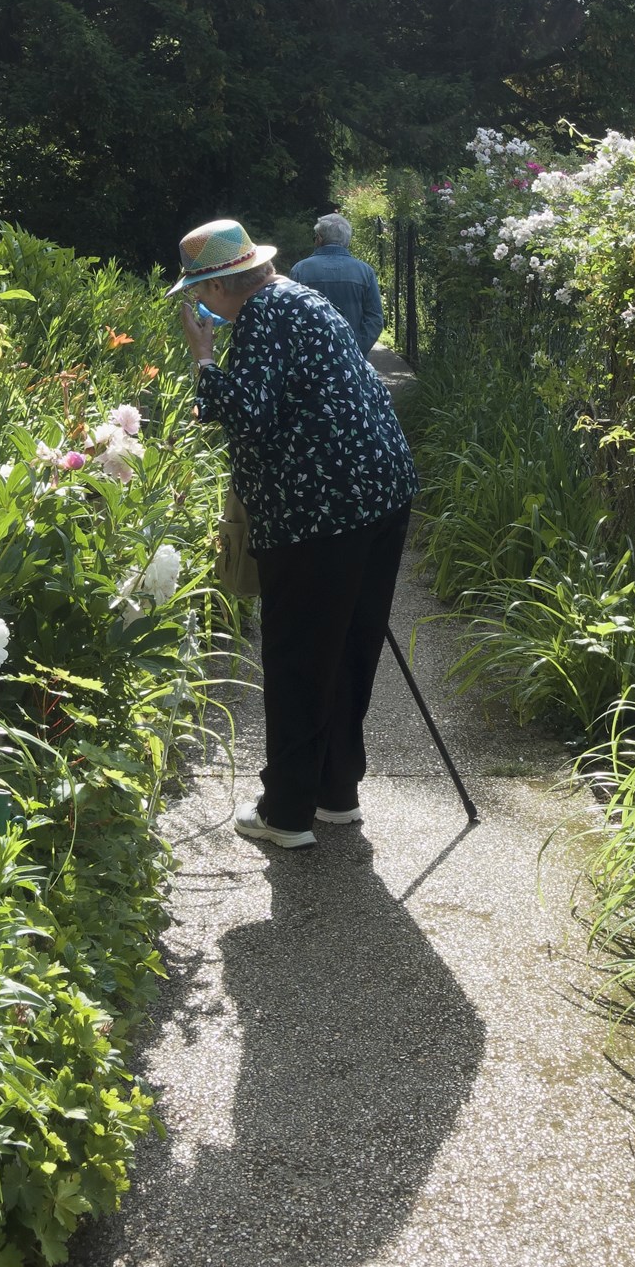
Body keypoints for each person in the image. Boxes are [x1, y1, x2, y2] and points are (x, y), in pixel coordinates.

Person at [171, 218, 419, 850]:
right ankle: (337, 793)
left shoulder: (260, 316)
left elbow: (243, 414)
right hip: (381, 494)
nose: (197, 307)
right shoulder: (303, 300)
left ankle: (285, 812)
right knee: (351, 648)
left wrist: (204, 357)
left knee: (300, 656)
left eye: (197, 295)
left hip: (317, 511)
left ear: (223, 286)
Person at [288, 212, 384, 355]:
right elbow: (375, 318)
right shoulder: (365, 271)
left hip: (310, 358)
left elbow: (291, 316)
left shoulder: (300, 270)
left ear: (319, 238)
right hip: (353, 361)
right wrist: (356, 349)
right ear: (347, 240)